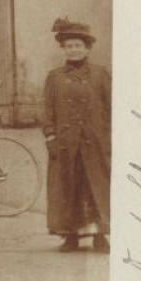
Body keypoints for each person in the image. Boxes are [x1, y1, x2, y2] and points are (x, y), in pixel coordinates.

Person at [43, 18, 111, 253]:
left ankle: (100, 236)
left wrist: (111, 138)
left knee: (97, 187)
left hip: (95, 142)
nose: (73, 50)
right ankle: (69, 235)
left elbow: (111, 108)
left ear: (87, 48)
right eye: (69, 46)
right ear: (64, 49)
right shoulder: (55, 77)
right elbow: (48, 110)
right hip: (65, 143)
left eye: (78, 46)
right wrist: (50, 136)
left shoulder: (101, 75)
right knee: (67, 187)